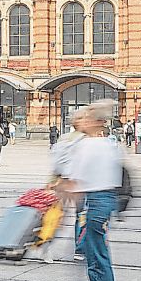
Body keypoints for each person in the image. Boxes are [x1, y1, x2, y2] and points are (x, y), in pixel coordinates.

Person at [61, 100, 123, 281]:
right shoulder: (110, 144)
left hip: (94, 204)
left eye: (87, 117)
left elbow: (74, 181)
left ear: (96, 121)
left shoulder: (85, 145)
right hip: (107, 202)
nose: (83, 121)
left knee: (97, 259)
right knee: (100, 254)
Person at [52, 109, 89, 262]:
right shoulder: (85, 140)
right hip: (78, 184)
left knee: (59, 216)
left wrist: (53, 180)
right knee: (81, 216)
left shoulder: (64, 138)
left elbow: (56, 162)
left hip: (65, 182)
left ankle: (46, 245)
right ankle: (80, 248)